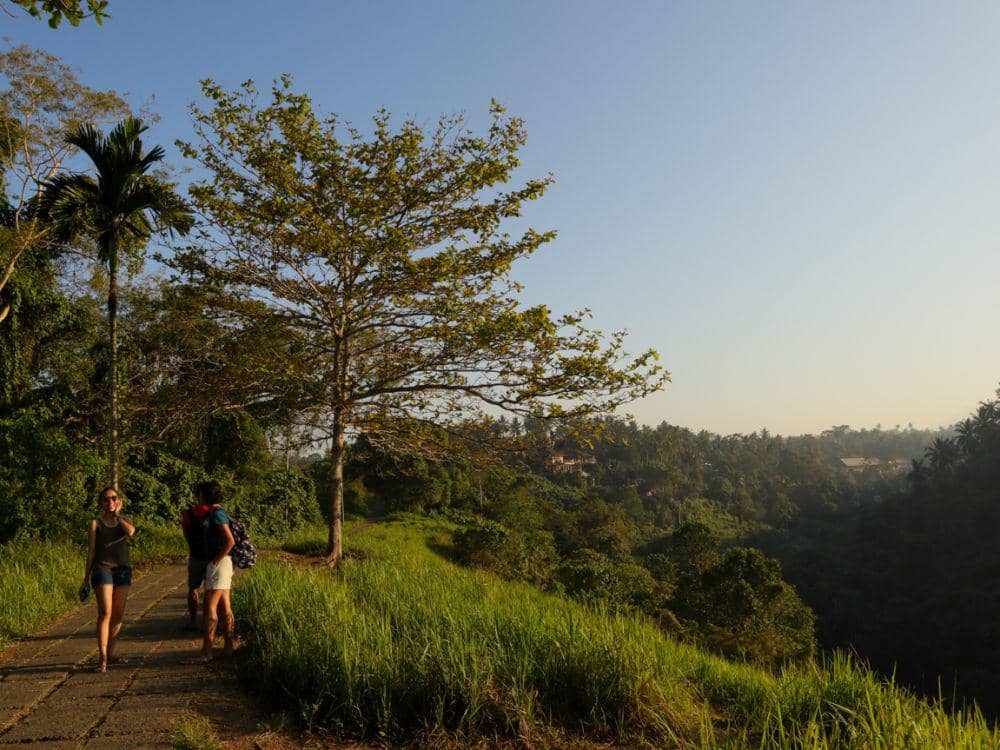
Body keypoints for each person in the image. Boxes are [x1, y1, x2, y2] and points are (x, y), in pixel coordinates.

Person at [81, 486, 135, 673]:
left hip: (122, 571)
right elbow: (91, 551)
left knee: (118, 614)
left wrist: (118, 516)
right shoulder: (95, 523)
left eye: (113, 498)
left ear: (118, 501)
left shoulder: (124, 520)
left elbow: (131, 532)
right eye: (106, 499)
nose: (109, 501)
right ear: (101, 503)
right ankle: (102, 658)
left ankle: (111, 653)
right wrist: (85, 578)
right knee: (106, 612)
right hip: (102, 570)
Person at [181, 480, 235, 663]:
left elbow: (230, 541)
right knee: (224, 606)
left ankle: (207, 652)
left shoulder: (216, 514)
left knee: (209, 606)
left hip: (219, 563)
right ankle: (228, 647)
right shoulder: (218, 512)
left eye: (200, 493)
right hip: (223, 563)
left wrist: (215, 562)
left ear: (205, 495)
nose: (198, 496)